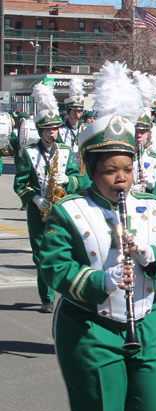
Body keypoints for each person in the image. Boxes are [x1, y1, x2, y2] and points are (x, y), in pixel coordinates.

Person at [39, 61, 156, 411]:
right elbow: (54, 266)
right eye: (109, 170)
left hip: (146, 320)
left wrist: (148, 254)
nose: (121, 178)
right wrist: (101, 280)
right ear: (92, 170)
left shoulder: (151, 206)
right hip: (90, 326)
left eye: (126, 168)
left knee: (153, 407)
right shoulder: (68, 210)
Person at [14, 83, 81, 313]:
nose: (52, 132)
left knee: (67, 251)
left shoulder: (65, 152)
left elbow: (77, 179)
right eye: (48, 129)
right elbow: (20, 184)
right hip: (38, 211)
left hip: (62, 208)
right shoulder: (28, 154)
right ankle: (46, 298)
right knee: (41, 254)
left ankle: (68, 292)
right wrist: (33, 198)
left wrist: (67, 181)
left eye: (55, 129)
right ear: (40, 131)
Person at [57, 77, 86, 165]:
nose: (77, 114)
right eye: (74, 111)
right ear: (69, 111)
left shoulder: (86, 128)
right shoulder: (59, 130)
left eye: (79, 111)